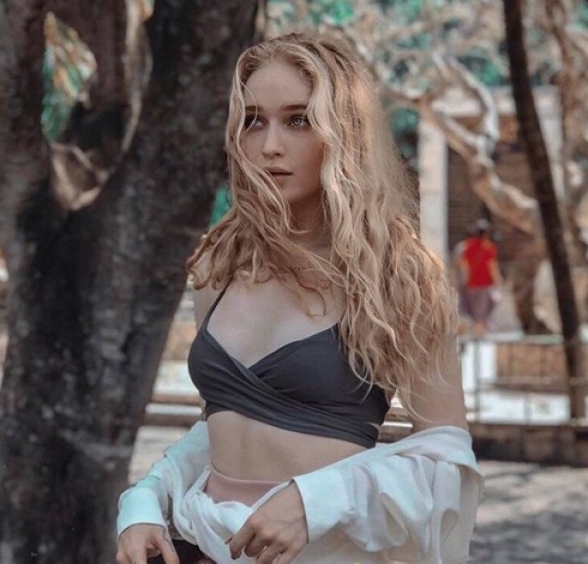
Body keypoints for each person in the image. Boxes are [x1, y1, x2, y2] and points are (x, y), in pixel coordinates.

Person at [116, 33, 483, 564]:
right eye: (253, 121)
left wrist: (315, 501)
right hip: (205, 546)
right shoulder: (220, 266)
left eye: (298, 120)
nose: (270, 145)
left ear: (344, 132)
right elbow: (224, 426)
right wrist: (147, 496)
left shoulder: (399, 276)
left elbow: (445, 458)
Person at [454, 219, 503, 337]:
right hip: (484, 285)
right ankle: (478, 340)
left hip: (470, 285)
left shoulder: (466, 246)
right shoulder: (489, 247)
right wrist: (498, 282)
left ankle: (465, 337)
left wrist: (462, 281)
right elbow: (492, 267)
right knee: (480, 317)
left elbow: (462, 265)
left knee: (468, 314)